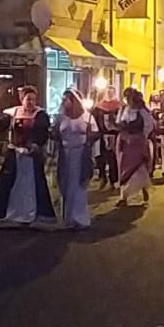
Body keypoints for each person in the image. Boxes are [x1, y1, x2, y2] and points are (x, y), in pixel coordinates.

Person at [0, 85, 56, 226]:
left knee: (32, 184)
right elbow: (1, 125)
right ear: (22, 99)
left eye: (33, 99)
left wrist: (35, 145)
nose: (30, 102)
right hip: (15, 153)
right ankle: (10, 213)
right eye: (28, 99)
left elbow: (43, 133)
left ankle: (33, 213)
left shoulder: (40, 115)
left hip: (31, 155)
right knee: (10, 183)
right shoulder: (13, 112)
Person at [51, 89, 96, 229]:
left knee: (78, 185)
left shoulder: (86, 117)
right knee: (66, 185)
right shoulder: (61, 118)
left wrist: (89, 140)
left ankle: (80, 218)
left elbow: (95, 133)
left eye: (66, 99)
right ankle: (69, 218)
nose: (64, 102)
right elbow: (55, 135)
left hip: (80, 154)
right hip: (65, 154)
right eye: (63, 100)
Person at [116, 88, 157, 206]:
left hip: (138, 142)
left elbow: (149, 124)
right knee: (124, 168)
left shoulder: (142, 111)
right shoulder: (123, 110)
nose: (128, 100)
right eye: (126, 97)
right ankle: (123, 196)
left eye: (129, 97)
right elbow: (119, 123)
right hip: (126, 142)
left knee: (140, 167)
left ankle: (143, 187)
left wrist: (142, 137)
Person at [90, 87, 122, 188]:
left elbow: (122, 119)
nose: (110, 94)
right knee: (101, 157)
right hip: (102, 135)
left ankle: (114, 180)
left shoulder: (119, 106)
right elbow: (93, 119)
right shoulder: (99, 107)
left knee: (113, 158)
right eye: (108, 92)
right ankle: (102, 176)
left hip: (114, 135)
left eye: (112, 92)